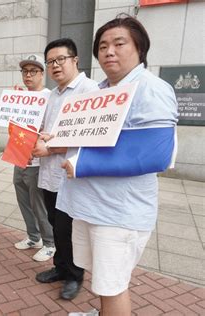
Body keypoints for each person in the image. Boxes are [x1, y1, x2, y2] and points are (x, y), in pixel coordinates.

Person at [58, 16, 177, 316]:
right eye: (102, 46)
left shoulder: (151, 89)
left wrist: (83, 164)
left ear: (139, 47)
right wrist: (55, 139)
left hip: (117, 214)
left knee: (113, 285)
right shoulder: (100, 91)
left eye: (119, 43)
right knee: (102, 279)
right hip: (92, 205)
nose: (109, 51)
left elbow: (154, 154)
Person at [32, 38, 99, 300]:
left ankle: (74, 275)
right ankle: (60, 267)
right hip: (50, 173)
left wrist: (50, 147)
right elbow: (45, 130)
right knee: (55, 223)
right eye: (51, 62)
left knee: (69, 228)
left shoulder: (89, 90)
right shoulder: (53, 95)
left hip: (72, 174)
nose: (56, 65)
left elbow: (90, 135)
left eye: (61, 59)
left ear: (75, 60)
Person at [12, 54, 55, 262]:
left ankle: (49, 243)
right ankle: (33, 236)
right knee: (23, 199)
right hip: (18, 156)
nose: (28, 75)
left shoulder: (50, 97)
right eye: (25, 71)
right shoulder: (20, 96)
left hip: (38, 160)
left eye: (33, 71)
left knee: (39, 203)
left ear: (42, 74)